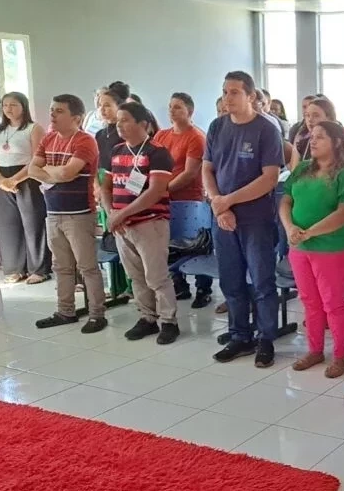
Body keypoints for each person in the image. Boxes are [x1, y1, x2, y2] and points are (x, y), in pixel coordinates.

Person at [203, 71, 282, 368]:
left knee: (262, 281)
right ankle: (240, 335)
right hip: (223, 218)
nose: (228, 97)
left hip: (255, 218)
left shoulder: (266, 129)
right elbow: (207, 169)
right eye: (225, 91)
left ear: (250, 96)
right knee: (231, 280)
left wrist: (229, 201)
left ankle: (266, 338)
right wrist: (218, 205)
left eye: (234, 92)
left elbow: (270, 178)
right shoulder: (217, 126)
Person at [279, 120, 344, 378]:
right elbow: (286, 200)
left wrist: (311, 232)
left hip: (332, 248)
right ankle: (314, 350)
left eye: (320, 137)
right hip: (300, 246)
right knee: (309, 301)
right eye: (312, 136)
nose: (312, 141)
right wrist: (290, 226)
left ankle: (340, 355)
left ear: (335, 142)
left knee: (333, 303)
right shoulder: (301, 169)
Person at [101, 102, 179, 344]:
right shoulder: (116, 151)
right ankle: (147, 317)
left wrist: (121, 215)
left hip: (150, 223)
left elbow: (156, 191)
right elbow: (105, 186)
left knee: (156, 277)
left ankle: (169, 322)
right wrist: (111, 212)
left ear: (143, 124)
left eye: (125, 120)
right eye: (118, 121)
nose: (119, 125)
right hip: (123, 225)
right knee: (135, 276)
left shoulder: (157, 153)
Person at [28, 95, 106, 333]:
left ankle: (96, 314)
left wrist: (49, 172)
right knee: (60, 266)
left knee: (87, 267)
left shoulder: (85, 141)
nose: (52, 115)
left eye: (59, 111)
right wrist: (55, 172)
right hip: (53, 212)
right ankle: (65, 311)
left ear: (76, 118)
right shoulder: (48, 138)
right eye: (52, 110)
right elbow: (32, 169)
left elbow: (69, 173)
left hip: (79, 214)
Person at [0, 92, 51, 284]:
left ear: (23, 107)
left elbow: (38, 159)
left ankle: (39, 269)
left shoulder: (33, 128)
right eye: (5, 105)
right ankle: (14, 268)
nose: (8, 109)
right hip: (2, 180)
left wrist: (15, 180)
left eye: (13, 105)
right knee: (8, 225)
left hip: (27, 178)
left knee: (33, 223)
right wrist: (1, 180)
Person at [153, 92, 212, 308]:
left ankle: (203, 288)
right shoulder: (161, 136)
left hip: (189, 200)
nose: (172, 110)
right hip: (164, 198)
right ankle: (179, 284)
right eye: (170, 106)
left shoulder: (196, 137)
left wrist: (163, 190)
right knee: (170, 242)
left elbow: (189, 173)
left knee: (196, 244)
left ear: (190, 111)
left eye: (177, 107)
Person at [94, 82, 129, 172]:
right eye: (100, 105)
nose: (102, 109)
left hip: (121, 178)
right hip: (101, 179)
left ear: (119, 106)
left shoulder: (127, 133)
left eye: (107, 105)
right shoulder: (100, 134)